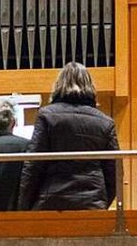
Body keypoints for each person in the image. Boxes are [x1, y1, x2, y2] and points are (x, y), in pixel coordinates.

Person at [18, 62, 119, 211]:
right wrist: (101, 201)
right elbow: (114, 172)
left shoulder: (46, 115)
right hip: (92, 202)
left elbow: (33, 164)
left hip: (51, 201)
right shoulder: (105, 122)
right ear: (90, 86)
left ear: (59, 85)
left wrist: (24, 206)